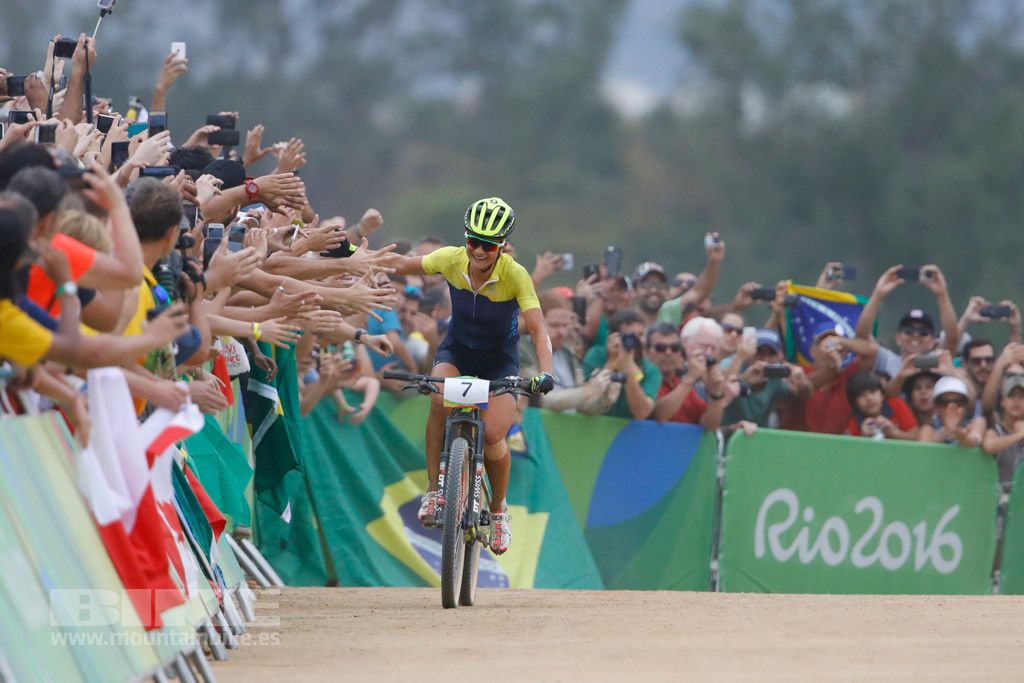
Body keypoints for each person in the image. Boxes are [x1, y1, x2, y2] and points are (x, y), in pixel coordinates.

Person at [386, 197, 553, 555]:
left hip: (500, 361)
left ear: (502, 246)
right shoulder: (450, 259)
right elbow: (401, 264)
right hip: (458, 351)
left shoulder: (515, 274)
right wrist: (353, 251)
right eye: (473, 241)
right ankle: (434, 490)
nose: (478, 251)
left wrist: (546, 372)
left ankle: (497, 512)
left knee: (493, 435)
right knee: (437, 400)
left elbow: (539, 330)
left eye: (488, 245)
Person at [844, 371, 917, 439]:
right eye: (861, 395)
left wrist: (895, 433)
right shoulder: (853, 422)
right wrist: (863, 437)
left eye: (873, 391)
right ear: (855, 403)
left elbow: (916, 437)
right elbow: (846, 450)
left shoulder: (896, 404)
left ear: (882, 394)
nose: (869, 398)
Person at [918, 376, 986, 447]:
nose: (952, 407)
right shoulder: (928, 429)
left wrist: (962, 437)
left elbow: (974, 441)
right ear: (936, 407)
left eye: (959, 401)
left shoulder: (977, 422)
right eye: (944, 402)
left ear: (966, 405)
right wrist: (947, 430)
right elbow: (923, 450)